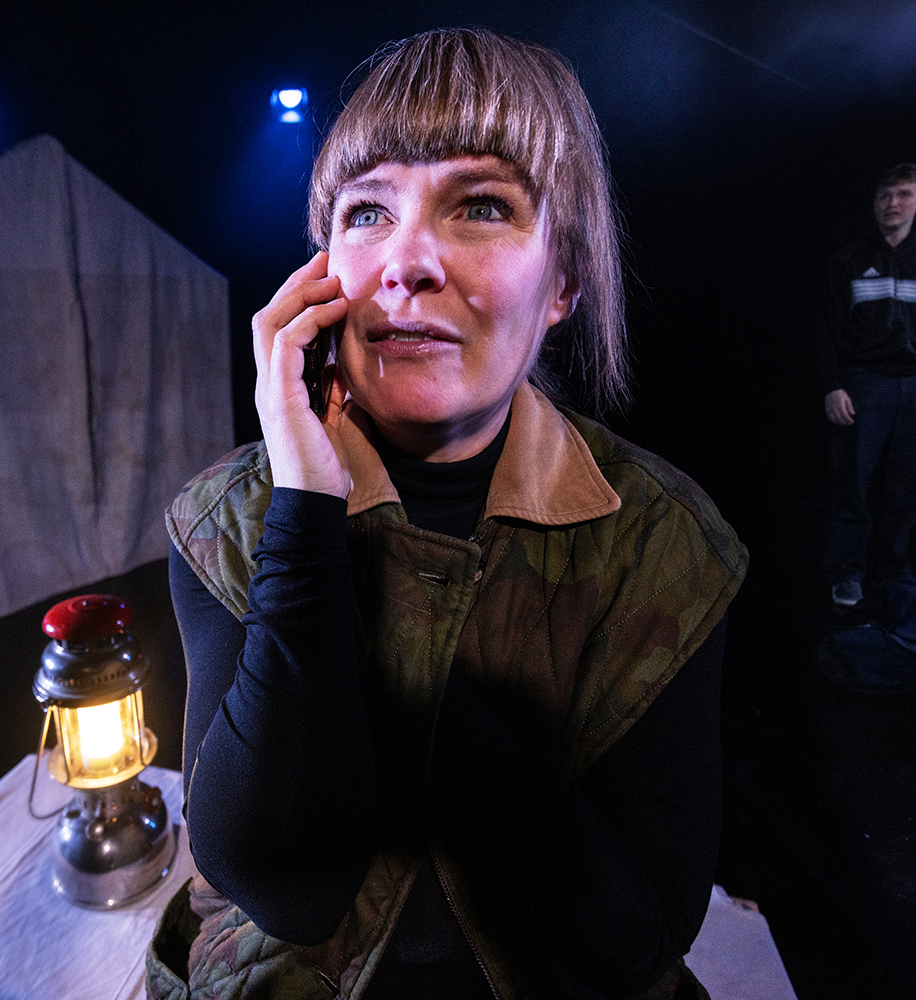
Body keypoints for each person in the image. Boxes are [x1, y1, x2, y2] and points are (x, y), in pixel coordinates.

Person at [147, 29, 747, 1000]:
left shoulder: (662, 541)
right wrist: (305, 508)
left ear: (563, 283)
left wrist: (422, 702)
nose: (408, 260)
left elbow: (634, 937)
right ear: (320, 275)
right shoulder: (230, 516)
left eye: (480, 206)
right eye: (368, 211)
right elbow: (283, 887)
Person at [817, 163, 916, 607]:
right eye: (884, 195)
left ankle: (893, 570)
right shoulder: (848, 259)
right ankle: (847, 573)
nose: (892, 203)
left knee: (907, 488)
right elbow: (827, 329)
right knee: (852, 483)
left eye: (903, 194)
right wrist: (833, 385)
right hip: (864, 384)